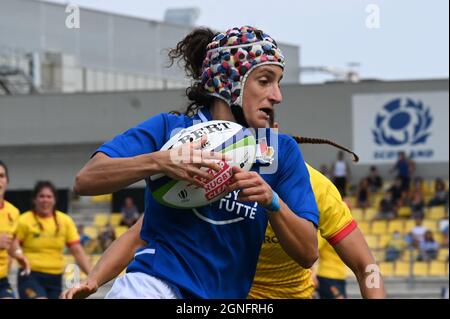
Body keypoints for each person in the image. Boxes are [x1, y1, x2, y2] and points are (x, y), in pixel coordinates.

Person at [65, 26, 319, 299]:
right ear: (230, 82)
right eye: (265, 80)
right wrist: (160, 161)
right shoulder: (170, 130)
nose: (277, 95)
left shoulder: (279, 150)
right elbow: (86, 180)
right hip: (153, 286)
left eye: (278, 83)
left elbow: (308, 253)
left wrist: (273, 203)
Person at [61, 122, 386, 299]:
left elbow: (365, 265)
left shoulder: (320, 191)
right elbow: (138, 236)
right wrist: (93, 281)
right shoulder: (217, 179)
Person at [15, 181, 91, 299]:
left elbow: (77, 250)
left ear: (54, 200)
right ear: (34, 200)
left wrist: (92, 276)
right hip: (30, 276)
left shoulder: (65, 221)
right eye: (41, 196)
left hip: (55, 278)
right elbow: (13, 248)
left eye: (49, 196)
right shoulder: (23, 220)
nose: (45, 200)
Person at [0, 161, 30, 298]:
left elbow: (10, 243)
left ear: (7, 181)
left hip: (2, 280)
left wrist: (19, 255)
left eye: (1, 176)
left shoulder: (13, 212)